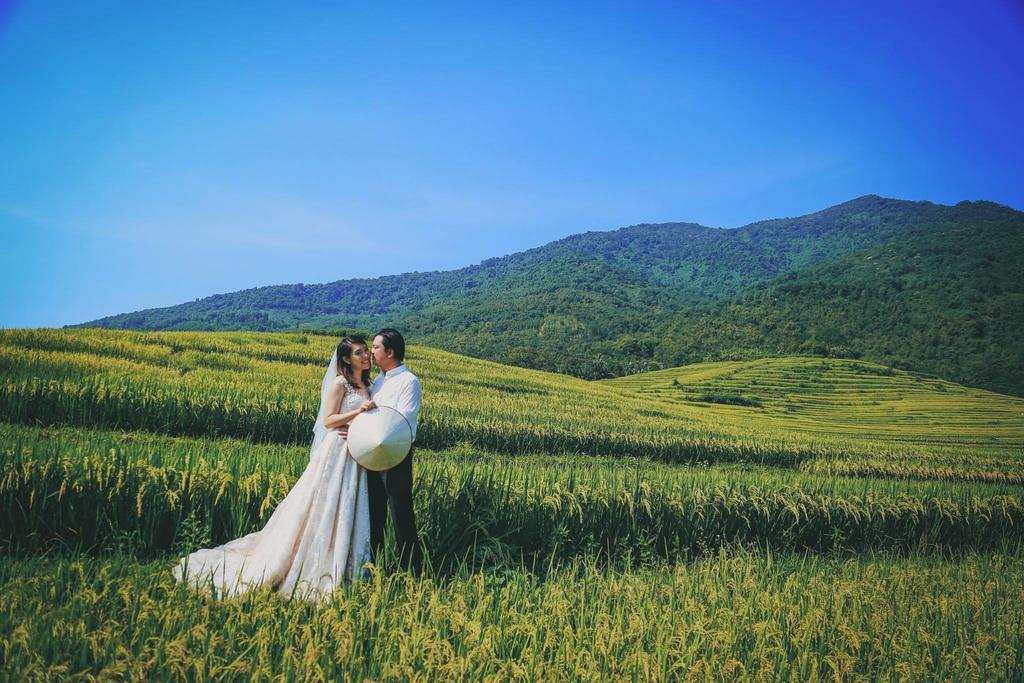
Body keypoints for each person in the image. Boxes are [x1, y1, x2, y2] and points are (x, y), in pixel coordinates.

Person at [172, 336, 375, 602]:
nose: (365, 355)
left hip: (355, 453)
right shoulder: (340, 384)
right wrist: (356, 412)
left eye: (366, 351)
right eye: (359, 353)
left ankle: (347, 561)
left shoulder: (368, 383)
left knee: (350, 505)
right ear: (347, 359)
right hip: (337, 451)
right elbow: (328, 421)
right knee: (323, 505)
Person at [362, 328, 423, 571]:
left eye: (376, 347)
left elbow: (403, 421)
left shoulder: (409, 382)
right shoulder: (379, 380)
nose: (371, 351)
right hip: (373, 454)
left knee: (401, 513)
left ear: (390, 351)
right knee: (373, 513)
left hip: (396, 455)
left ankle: (411, 568)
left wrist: (375, 412)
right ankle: (373, 565)